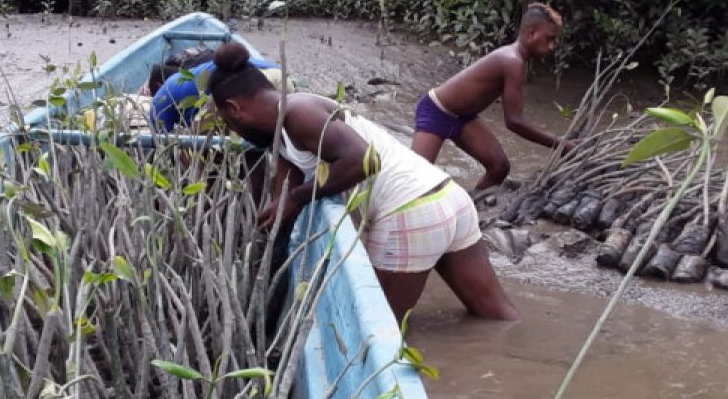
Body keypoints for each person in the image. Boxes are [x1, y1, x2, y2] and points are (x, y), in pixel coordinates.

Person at [207, 41, 520, 322]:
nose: (233, 131)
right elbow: (280, 208)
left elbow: (364, 160)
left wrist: (298, 198)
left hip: (410, 211)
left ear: (234, 108)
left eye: (227, 121)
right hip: (445, 197)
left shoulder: (297, 112)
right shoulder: (285, 129)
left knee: (378, 335)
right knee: (497, 318)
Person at [411, 1, 569, 190]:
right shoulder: (512, 61)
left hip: (463, 118)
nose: (552, 46)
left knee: (499, 167)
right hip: (436, 111)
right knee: (415, 182)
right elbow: (514, 121)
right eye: (549, 39)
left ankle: (470, 207)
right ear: (531, 32)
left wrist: (560, 143)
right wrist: (559, 144)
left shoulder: (516, 61)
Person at [148, 48, 281, 131]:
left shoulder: (159, 101)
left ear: (158, 86)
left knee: (191, 145)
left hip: (261, 79)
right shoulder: (189, 76)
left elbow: (162, 140)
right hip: (278, 74)